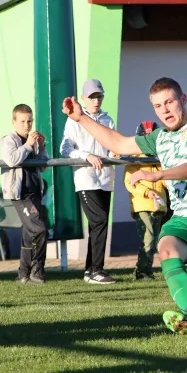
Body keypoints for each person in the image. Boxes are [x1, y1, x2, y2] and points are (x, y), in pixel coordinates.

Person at [62, 77, 187, 339]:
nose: (165, 110)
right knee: (166, 248)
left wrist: (158, 175)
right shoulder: (157, 137)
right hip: (183, 219)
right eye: (158, 106)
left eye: (169, 102)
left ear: (183, 100)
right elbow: (120, 144)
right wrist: (81, 118)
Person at [60, 79, 117, 284]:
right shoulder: (74, 119)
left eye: (99, 96)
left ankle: (90, 271)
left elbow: (112, 144)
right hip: (85, 179)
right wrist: (87, 156)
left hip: (106, 179)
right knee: (99, 220)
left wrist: (114, 152)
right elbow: (65, 149)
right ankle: (96, 270)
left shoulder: (107, 119)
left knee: (97, 224)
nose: (96, 100)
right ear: (83, 99)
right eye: (92, 97)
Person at [1, 104, 49, 284]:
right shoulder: (9, 140)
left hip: (35, 191)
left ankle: (23, 275)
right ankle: (38, 270)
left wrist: (41, 147)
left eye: (29, 121)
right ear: (14, 122)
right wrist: (28, 146)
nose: (27, 125)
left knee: (29, 234)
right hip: (20, 194)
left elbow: (43, 166)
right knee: (40, 230)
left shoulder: (33, 140)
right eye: (22, 121)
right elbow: (11, 159)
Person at [124, 121, 167, 281]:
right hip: (142, 205)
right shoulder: (134, 159)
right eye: (146, 138)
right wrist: (147, 192)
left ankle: (146, 270)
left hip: (159, 206)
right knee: (147, 239)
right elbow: (130, 182)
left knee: (154, 239)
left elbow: (164, 180)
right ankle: (141, 271)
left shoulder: (160, 157)